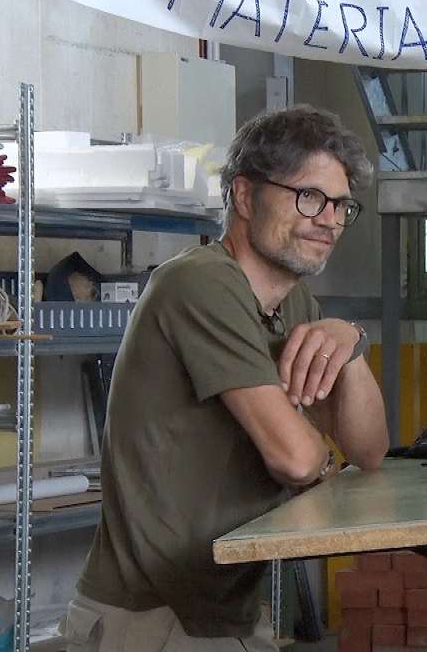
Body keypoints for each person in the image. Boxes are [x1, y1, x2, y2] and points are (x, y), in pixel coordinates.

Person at [61, 106, 389, 651]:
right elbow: (296, 459)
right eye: (309, 197)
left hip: (225, 610)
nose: (329, 220)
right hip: (154, 619)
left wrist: (351, 342)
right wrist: (322, 459)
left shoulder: (293, 303)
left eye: (340, 205)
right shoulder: (200, 282)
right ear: (244, 196)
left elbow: (370, 449)